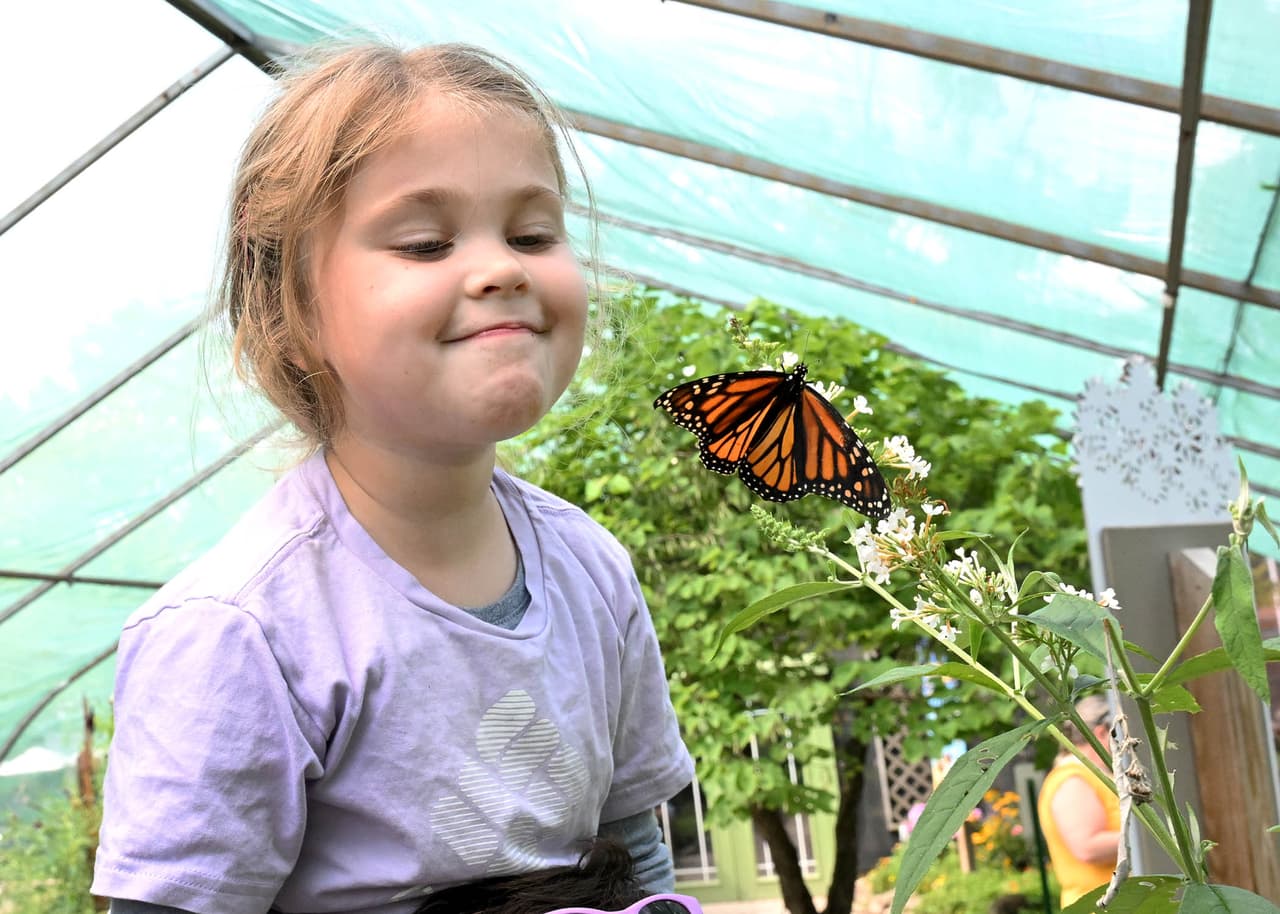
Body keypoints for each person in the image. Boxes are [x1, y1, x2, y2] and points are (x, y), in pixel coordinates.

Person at [90, 41, 694, 914]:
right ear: (291, 313)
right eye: (425, 243)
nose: (502, 268)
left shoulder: (592, 571)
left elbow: (635, 849)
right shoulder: (242, 635)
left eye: (533, 233)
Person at [1036, 695, 1121, 908]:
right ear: (1103, 732)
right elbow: (1087, 847)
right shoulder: (1072, 779)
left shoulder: (1093, 774)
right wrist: (1149, 834)